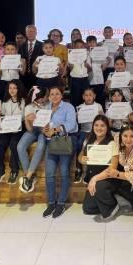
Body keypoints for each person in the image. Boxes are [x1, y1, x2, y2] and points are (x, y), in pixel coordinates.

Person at [41, 86, 77, 218]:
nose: (54, 96)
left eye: (57, 94)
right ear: (49, 96)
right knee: (49, 174)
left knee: (64, 172)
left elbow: (71, 124)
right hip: (51, 142)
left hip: (64, 141)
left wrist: (55, 130)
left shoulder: (68, 107)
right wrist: (44, 129)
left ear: (62, 95)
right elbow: (42, 125)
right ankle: (51, 203)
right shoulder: (46, 108)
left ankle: (61, 203)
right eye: (52, 94)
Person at [80, 115, 121, 221]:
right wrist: (82, 159)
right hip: (94, 179)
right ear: (93, 126)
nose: (99, 128)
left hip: (108, 179)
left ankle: (113, 205)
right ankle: (104, 198)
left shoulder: (112, 143)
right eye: (96, 125)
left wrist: (94, 179)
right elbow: (80, 156)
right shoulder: (89, 139)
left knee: (99, 187)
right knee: (87, 208)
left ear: (107, 128)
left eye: (102, 126)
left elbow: (113, 168)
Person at [17, 86, 49, 193]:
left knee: (40, 146)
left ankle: (28, 177)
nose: (44, 99)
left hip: (44, 130)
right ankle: (29, 176)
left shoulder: (48, 105)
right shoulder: (29, 106)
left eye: (44, 97)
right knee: (20, 146)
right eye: (42, 97)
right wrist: (27, 119)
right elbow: (30, 129)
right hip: (33, 130)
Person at [0, 79, 25, 185]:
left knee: (14, 143)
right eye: (10, 88)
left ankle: (14, 171)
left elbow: (24, 119)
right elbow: (0, 120)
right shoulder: (5, 102)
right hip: (7, 128)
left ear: (19, 89)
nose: (12, 90)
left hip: (20, 128)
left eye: (14, 88)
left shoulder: (24, 101)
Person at [73, 87, 103, 183]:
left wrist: (100, 115)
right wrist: (77, 117)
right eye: (86, 95)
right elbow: (76, 123)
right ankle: (78, 170)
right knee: (79, 144)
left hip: (96, 131)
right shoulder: (80, 107)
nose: (88, 97)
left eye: (90, 95)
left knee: (93, 146)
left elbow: (104, 120)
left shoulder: (98, 106)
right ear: (83, 97)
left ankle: (89, 172)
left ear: (94, 96)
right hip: (84, 131)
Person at [67, 39, 91, 109]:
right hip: (75, 80)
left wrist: (87, 65)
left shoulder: (87, 55)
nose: (79, 48)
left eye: (81, 46)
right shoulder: (71, 55)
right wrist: (70, 66)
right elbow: (70, 69)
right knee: (75, 99)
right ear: (74, 47)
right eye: (77, 46)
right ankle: (75, 115)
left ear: (84, 47)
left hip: (85, 80)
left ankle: (85, 115)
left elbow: (89, 70)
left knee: (86, 98)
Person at [21, 24, 44, 91]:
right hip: (24, 77)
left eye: (32, 31)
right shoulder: (21, 46)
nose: (30, 33)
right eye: (28, 32)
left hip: (37, 77)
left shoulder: (42, 45)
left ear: (36, 33)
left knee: (36, 97)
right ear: (26, 33)